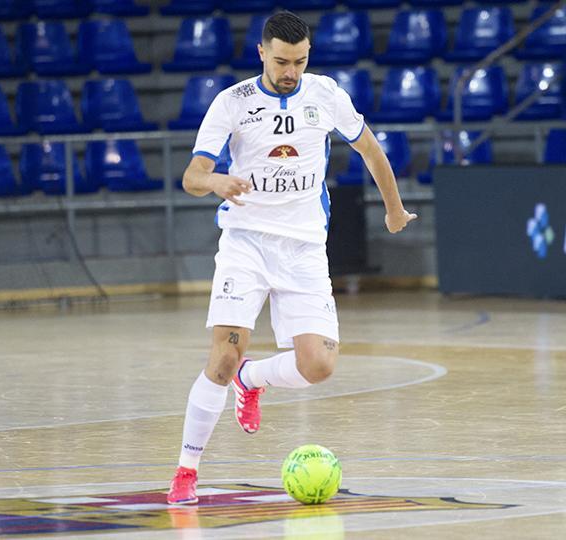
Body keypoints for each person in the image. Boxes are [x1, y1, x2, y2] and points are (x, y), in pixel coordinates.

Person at [166, 11, 417, 505]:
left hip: (304, 248)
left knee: (319, 365)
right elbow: (192, 176)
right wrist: (215, 180)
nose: (290, 72)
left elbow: (371, 151)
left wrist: (394, 209)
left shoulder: (325, 94)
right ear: (262, 52)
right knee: (221, 356)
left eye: (299, 61)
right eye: (282, 61)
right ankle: (186, 471)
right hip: (247, 243)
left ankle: (252, 378)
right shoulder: (232, 102)